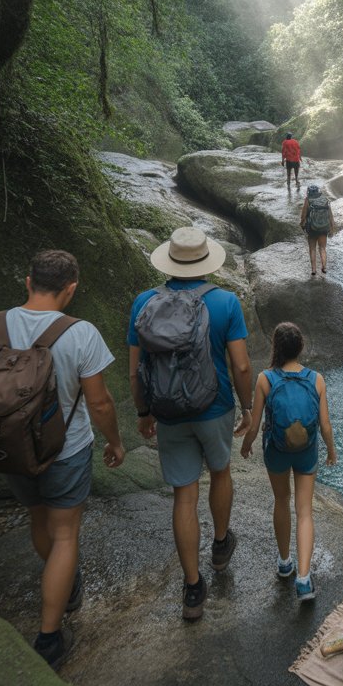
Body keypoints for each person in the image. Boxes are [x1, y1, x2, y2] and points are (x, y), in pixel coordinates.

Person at [0, 249, 125, 670]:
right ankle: (50, 636)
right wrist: (115, 442)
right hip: (65, 449)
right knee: (65, 534)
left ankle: (60, 584)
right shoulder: (81, 333)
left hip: (8, 448)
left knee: (38, 517)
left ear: (28, 282)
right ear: (71, 289)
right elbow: (99, 402)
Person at [128, 227, 253, 621]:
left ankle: (193, 587)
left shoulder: (144, 302)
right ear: (207, 262)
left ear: (169, 262)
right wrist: (249, 408)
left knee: (184, 495)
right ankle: (220, 545)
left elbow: (135, 370)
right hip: (214, 406)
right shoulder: (225, 302)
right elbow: (242, 365)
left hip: (168, 410)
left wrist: (144, 412)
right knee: (220, 472)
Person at [240, 322, 336, 602]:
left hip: (277, 451)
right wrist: (331, 451)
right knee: (304, 511)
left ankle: (285, 563)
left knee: (281, 501)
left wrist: (246, 445)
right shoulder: (316, 379)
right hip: (306, 450)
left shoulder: (265, 379)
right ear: (300, 347)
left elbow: (255, 424)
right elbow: (325, 425)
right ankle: (304, 580)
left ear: (276, 347)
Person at [300, 184, 334, 277]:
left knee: (312, 249)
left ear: (309, 192)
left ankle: (314, 270)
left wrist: (302, 224)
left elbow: (303, 215)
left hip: (312, 228)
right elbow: (330, 216)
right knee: (322, 248)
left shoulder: (308, 200)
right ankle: (324, 267)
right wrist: (331, 228)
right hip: (324, 227)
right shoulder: (325, 199)